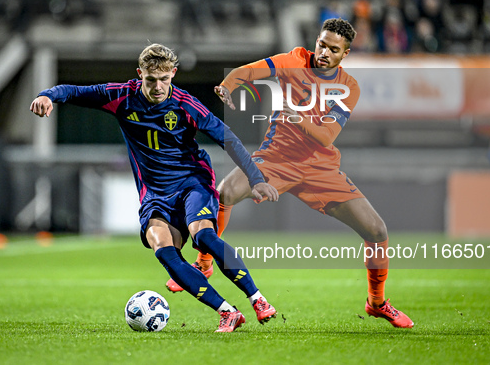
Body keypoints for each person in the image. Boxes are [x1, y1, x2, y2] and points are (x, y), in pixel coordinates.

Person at [166, 18, 414, 329]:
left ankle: (376, 303)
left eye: (333, 49)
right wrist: (229, 86)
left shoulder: (348, 87)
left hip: (320, 168)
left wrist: (297, 118)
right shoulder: (294, 60)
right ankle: (204, 264)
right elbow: (250, 71)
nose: (323, 52)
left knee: (377, 231)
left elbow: (325, 137)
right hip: (275, 160)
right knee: (226, 192)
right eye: (321, 44)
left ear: (345, 54)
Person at [30, 43, 279, 332]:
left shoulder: (186, 105)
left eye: (164, 79)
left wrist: (256, 179)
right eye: (151, 80)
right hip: (155, 194)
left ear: (173, 73)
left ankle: (257, 298)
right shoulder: (121, 96)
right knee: (163, 249)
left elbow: (229, 139)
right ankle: (227, 312)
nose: (158, 86)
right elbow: (73, 91)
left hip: (192, 183)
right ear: (140, 74)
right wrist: (47, 95)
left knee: (205, 237)